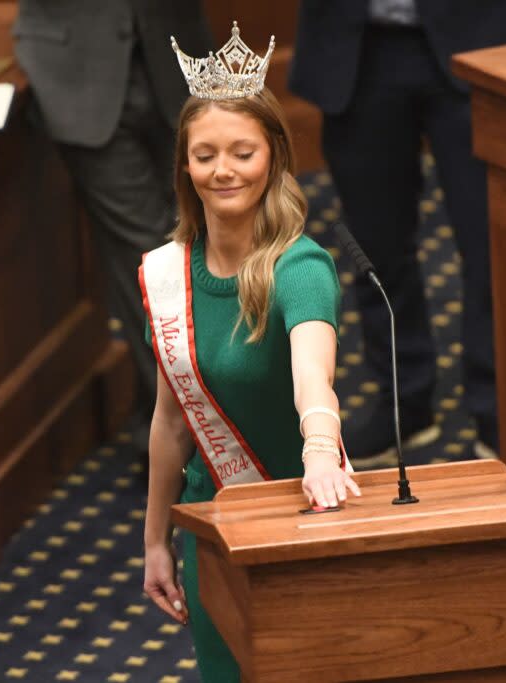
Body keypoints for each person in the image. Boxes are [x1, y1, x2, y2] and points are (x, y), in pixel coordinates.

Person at [141, 24, 361, 682]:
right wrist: (156, 539)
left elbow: (313, 379)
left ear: (274, 157)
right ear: (185, 164)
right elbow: (171, 422)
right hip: (213, 530)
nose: (223, 170)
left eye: (242, 151)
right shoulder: (169, 274)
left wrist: (322, 449)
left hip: (303, 516)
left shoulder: (301, 267)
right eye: (205, 154)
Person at [290, 1, 506, 463]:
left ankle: (498, 409)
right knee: (375, 244)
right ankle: (402, 402)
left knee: (492, 243)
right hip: (357, 46)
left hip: (483, 36)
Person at [12, 0, 213, 445]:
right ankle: (190, 437)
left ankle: (167, 418)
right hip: (74, 67)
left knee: (208, 237)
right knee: (148, 258)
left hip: (179, 56)